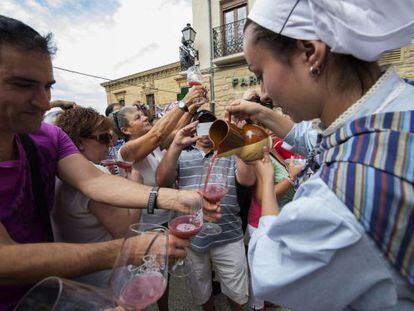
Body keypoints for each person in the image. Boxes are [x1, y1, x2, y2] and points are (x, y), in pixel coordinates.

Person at [0, 15, 218, 310]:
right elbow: (5, 258)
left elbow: (94, 181)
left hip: (52, 292)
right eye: (24, 85)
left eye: (47, 86)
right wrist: (127, 250)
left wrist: (178, 198)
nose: (42, 101)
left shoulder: (47, 137)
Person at [226, 0, 414, 310]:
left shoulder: (338, 201)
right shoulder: (393, 104)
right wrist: (263, 114)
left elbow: (269, 269)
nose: (265, 93)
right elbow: (320, 141)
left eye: (260, 73)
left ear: (310, 52)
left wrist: (263, 176)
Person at [156, 110, 256, 311]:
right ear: (193, 128)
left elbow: (247, 179)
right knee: (200, 287)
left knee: (236, 289)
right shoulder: (182, 154)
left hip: (229, 234)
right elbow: (162, 181)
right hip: (192, 238)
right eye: (201, 126)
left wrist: (233, 140)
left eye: (211, 126)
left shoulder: (229, 152)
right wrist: (176, 145)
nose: (206, 132)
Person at [52, 107, 142, 287]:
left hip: (76, 275)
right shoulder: (94, 172)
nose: (109, 144)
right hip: (107, 277)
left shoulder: (56, 170)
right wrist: (135, 184)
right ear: (79, 143)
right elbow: (124, 230)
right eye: (103, 138)